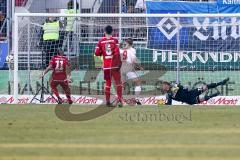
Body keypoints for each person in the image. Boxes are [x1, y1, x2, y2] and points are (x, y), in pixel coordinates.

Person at [95, 25, 123, 107]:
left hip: (106, 66)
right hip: (114, 65)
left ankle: (107, 101)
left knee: (108, 83)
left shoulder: (101, 41)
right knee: (118, 83)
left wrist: (101, 52)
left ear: (104, 31)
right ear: (112, 32)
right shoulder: (115, 40)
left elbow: (97, 53)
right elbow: (117, 53)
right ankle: (120, 100)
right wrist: (119, 63)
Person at [162, 78, 230, 105]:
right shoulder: (168, 95)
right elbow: (168, 104)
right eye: (163, 86)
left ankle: (221, 83)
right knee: (203, 98)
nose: (164, 87)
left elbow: (182, 87)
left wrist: (185, 88)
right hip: (189, 100)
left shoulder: (174, 86)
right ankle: (212, 95)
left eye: (165, 85)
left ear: (167, 85)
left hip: (191, 93)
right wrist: (160, 102)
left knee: (205, 87)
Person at [120, 38, 143, 105]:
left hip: (121, 68)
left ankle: (120, 99)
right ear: (132, 44)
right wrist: (139, 67)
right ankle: (136, 98)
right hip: (128, 68)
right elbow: (133, 61)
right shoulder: (132, 50)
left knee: (122, 85)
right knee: (138, 82)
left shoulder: (121, 49)